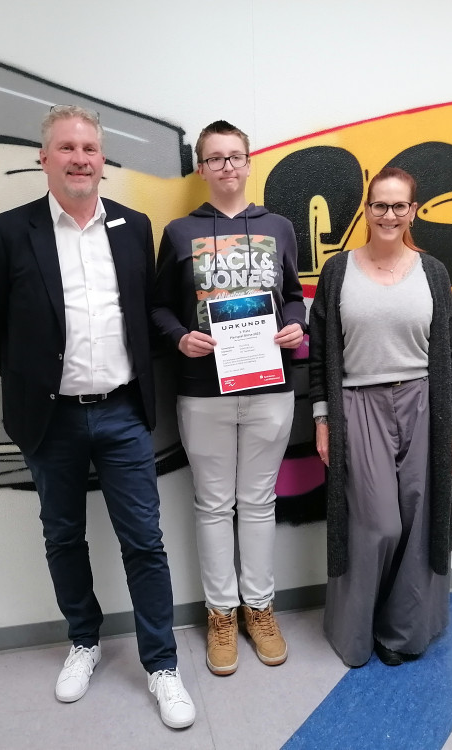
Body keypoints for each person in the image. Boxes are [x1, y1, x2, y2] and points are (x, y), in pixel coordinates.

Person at [0, 105, 195, 729]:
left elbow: (145, 310)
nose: (79, 158)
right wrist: (29, 375)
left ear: (102, 160)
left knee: (144, 541)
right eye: (66, 148)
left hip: (122, 412)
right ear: (44, 159)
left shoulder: (132, 227)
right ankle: (84, 641)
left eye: (89, 148)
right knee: (63, 535)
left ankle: (162, 664)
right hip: (51, 419)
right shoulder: (8, 232)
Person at [151, 120, 306, 676]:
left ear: (248, 161)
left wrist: (296, 325)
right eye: (215, 158)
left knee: (259, 502)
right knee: (214, 505)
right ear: (201, 168)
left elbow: (294, 296)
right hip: (203, 390)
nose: (227, 167)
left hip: (270, 388)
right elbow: (157, 306)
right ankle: (221, 613)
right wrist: (178, 337)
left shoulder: (279, 227)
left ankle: (259, 609)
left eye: (235, 156)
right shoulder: (178, 233)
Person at [308, 166, 452, 668]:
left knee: (421, 520)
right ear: (367, 209)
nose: (389, 215)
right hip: (357, 405)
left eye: (400, 206)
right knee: (375, 522)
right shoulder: (338, 271)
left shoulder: (433, 273)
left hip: (424, 403)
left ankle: (403, 633)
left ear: (413, 211)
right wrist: (322, 419)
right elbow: (320, 352)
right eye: (380, 205)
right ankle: (356, 631)